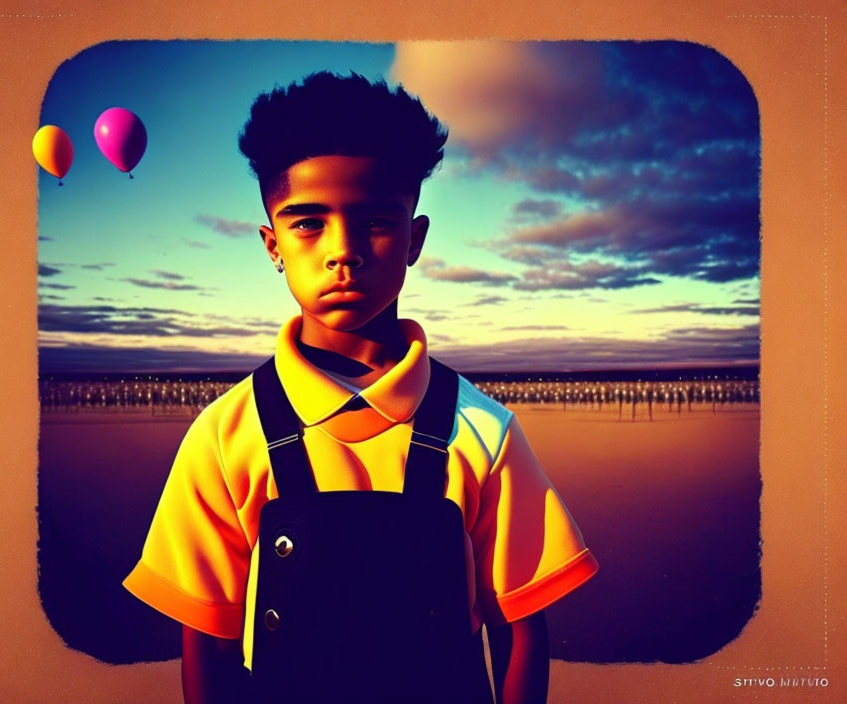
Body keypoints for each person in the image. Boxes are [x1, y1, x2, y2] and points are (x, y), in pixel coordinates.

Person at [123, 71, 599, 704]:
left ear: (415, 239)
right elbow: (204, 642)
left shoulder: (484, 432)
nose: (342, 251)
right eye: (307, 224)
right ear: (273, 245)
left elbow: (521, 631)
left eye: (375, 220)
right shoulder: (223, 436)